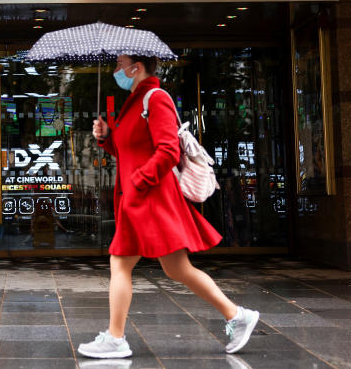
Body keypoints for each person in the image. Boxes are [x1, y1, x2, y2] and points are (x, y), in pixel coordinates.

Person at [77, 54, 259, 359]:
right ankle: (237, 315)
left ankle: (115, 338)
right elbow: (131, 148)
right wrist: (106, 138)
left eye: (120, 65)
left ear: (137, 67)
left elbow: (168, 150)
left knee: (120, 264)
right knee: (178, 269)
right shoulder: (134, 101)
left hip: (147, 198)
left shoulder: (154, 98)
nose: (116, 70)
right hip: (142, 198)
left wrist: (139, 181)